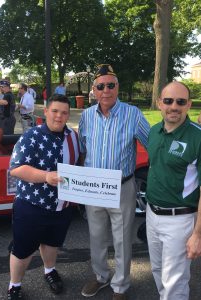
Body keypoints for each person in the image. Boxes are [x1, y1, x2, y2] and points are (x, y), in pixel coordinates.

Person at [78, 64, 150, 300]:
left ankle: (120, 285)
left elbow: (152, 144)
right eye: (100, 86)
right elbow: (82, 150)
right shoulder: (87, 116)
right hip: (94, 187)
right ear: (94, 90)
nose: (106, 90)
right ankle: (101, 276)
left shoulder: (133, 114)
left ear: (118, 87)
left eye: (111, 85)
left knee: (122, 239)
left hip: (122, 187)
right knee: (96, 236)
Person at [7, 94, 79, 300]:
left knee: (51, 243)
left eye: (64, 112)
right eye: (55, 111)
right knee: (22, 250)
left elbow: (78, 164)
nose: (59, 116)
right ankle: (15, 285)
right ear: (45, 112)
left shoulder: (72, 137)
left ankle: (49, 271)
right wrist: (46, 176)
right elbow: (16, 169)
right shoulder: (32, 136)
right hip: (32, 205)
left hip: (62, 206)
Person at [145, 81, 201, 300]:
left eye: (180, 101)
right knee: (158, 272)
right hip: (152, 215)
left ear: (189, 105)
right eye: (168, 101)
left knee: (175, 282)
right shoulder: (153, 132)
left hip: (180, 220)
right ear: (160, 103)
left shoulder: (197, 137)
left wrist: (197, 234)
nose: (174, 106)